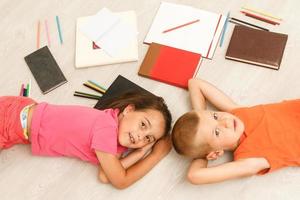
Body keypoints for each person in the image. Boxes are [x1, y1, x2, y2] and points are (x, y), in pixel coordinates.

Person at [0, 92, 172, 189]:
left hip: (18, 123)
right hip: (10, 120)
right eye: (143, 125)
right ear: (128, 110)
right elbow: (120, 180)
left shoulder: (114, 140)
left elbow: (106, 175)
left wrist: (141, 151)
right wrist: (155, 155)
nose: (141, 136)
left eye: (148, 138)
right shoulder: (106, 129)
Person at [171, 78, 300, 184]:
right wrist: (205, 153)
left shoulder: (236, 113)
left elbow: (195, 83)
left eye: (215, 116)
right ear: (215, 153)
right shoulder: (248, 160)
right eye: (216, 132)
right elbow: (194, 175)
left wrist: (201, 114)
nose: (225, 121)